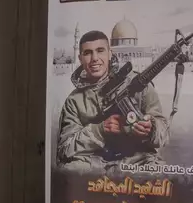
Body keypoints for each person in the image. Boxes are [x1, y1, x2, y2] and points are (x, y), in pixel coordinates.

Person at [55, 30, 169, 173]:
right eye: (88, 53)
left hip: (136, 160)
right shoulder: (74, 101)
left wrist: (151, 129)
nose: (94, 58)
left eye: (100, 50)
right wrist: (99, 130)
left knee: (160, 174)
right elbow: (64, 150)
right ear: (80, 58)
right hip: (94, 163)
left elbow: (164, 135)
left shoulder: (137, 83)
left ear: (110, 53)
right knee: (68, 172)